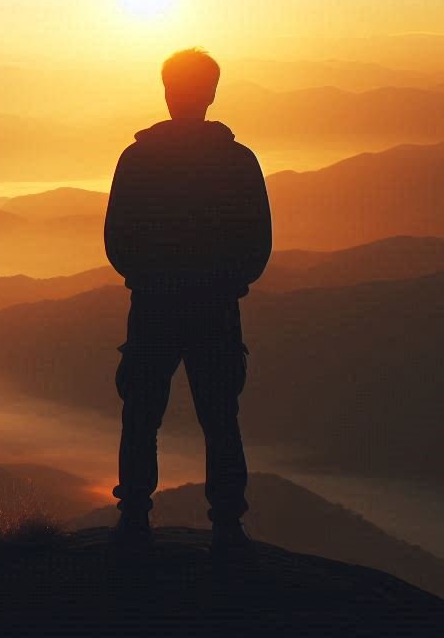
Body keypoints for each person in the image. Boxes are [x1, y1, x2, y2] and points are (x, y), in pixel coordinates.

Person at [104, 48, 272, 555]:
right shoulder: (237, 161)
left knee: (142, 415)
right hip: (215, 310)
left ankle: (134, 518)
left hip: (153, 307)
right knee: (220, 419)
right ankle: (228, 525)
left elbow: (117, 239)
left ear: (168, 91)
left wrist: (147, 278)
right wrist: (228, 283)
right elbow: (257, 241)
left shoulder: (138, 159)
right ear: (211, 93)